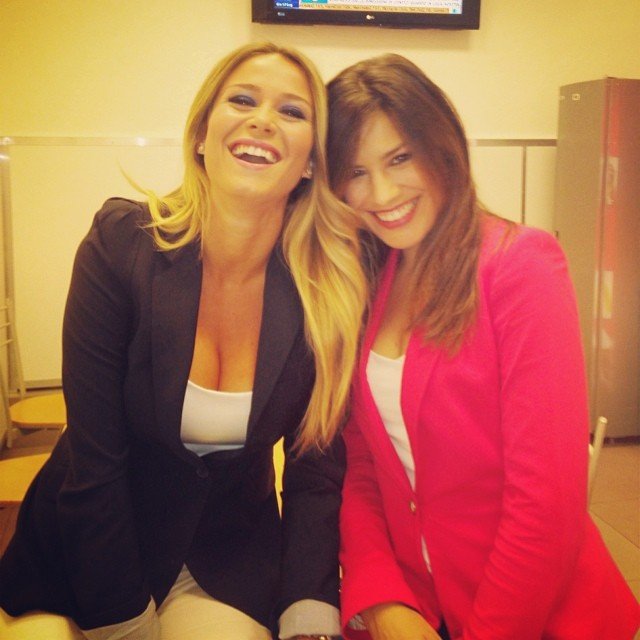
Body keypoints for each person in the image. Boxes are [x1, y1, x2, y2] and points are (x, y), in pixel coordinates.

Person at [0, 41, 367, 640]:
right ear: (201, 135)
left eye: (291, 111)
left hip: (224, 558)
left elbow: (314, 477)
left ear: (309, 163)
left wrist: (309, 616)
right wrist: (124, 624)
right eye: (242, 100)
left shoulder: (328, 291)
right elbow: (94, 461)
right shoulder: (121, 244)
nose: (262, 120)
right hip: (86, 551)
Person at [327, 54, 640, 640]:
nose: (382, 192)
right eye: (356, 171)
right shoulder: (369, 279)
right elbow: (362, 463)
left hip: (530, 616)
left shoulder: (520, 265)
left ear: (441, 145)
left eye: (400, 158)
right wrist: (384, 599)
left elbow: (545, 504)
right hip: (419, 608)